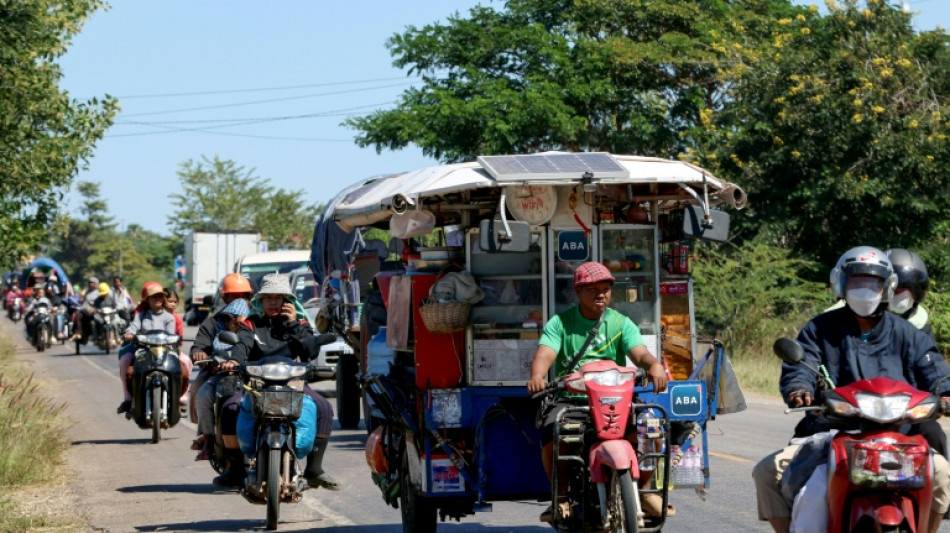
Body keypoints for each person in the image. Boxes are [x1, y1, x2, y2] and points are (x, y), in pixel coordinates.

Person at [751, 245, 950, 533]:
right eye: (857, 282)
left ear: (888, 287)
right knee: (766, 473)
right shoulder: (818, 329)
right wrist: (799, 389)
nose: (865, 289)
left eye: (873, 283)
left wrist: (945, 393)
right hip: (831, 432)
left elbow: (934, 368)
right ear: (841, 284)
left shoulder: (908, 333)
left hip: (899, 435)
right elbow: (801, 364)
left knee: (943, 475)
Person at [527, 261, 668, 523]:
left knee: (652, 429)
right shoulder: (561, 323)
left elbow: (640, 354)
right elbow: (545, 355)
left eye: (605, 289)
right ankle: (561, 497)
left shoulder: (621, 323)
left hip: (617, 400)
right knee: (553, 433)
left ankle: (645, 488)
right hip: (573, 401)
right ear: (578, 292)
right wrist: (537, 376)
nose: (600, 294)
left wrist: (654, 366)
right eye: (592, 289)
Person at [212, 273, 341, 492]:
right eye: (268, 297)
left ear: (287, 301)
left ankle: (314, 469)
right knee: (230, 407)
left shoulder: (299, 323)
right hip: (257, 384)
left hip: (294, 384)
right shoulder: (251, 324)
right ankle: (235, 469)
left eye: (278, 297)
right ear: (260, 301)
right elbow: (242, 345)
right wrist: (234, 360)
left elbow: (310, 350)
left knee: (324, 407)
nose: (273, 302)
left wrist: (292, 325)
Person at [190, 273, 254, 458]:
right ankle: (208, 440)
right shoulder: (212, 322)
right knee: (201, 395)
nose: (239, 300)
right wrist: (199, 353)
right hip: (219, 372)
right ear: (225, 298)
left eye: (244, 296)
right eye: (234, 296)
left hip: (253, 374)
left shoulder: (257, 321)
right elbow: (199, 345)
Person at [116, 282, 178, 415]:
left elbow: (170, 336)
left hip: (163, 351)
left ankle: (176, 400)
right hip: (143, 351)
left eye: (160, 297)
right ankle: (129, 400)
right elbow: (134, 327)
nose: (158, 299)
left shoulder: (169, 317)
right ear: (148, 300)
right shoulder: (141, 315)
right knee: (125, 361)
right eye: (154, 297)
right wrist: (130, 333)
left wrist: (173, 340)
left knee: (177, 369)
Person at [163, 287, 192, 408]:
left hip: (172, 350)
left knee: (187, 362)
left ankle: (183, 394)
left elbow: (179, 339)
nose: (173, 304)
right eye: (170, 301)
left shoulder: (177, 318)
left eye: (175, 302)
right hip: (154, 350)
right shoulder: (153, 315)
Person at [71, 277, 100, 342]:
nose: (90, 284)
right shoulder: (86, 291)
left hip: (95, 311)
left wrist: (95, 308)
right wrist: (81, 298)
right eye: (89, 283)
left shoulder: (99, 292)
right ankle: (78, 332)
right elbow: (81, 301)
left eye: (92, 283)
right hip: (85, 309)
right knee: (77, 314)